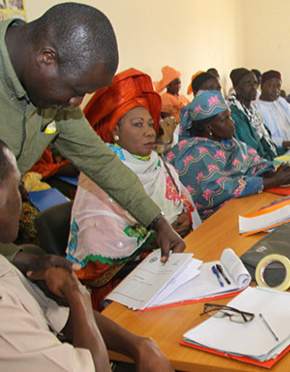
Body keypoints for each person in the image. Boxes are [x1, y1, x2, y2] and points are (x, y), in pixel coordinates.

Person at [0, 3, 184, 270]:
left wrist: (157, 222)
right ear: (47, 57)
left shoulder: (56, 100)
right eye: (75, 90)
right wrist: (16, 257)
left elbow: (102, 162)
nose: (77, 103)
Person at [0, 139, 174, 371]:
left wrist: (138, 345)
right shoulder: (5, 319)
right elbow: (94, 367)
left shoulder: (5, 266)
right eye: (16, 187)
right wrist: (77, 295)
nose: (22, 195)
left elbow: (60, 316)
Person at [67, 69, 201, 306]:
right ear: (115, 131)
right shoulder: (101, 170)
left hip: (167, 263)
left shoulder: (156, 163)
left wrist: (184, 218)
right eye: (138, 125)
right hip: (122, 284)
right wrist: (154, 236)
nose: (150, 131)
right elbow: (98, 246)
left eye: (150, 123)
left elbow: (180, 201)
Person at [167, 91, 290, 220]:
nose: (232, 122)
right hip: (213, 222)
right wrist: (273, 181)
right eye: (225, 119)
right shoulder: (194, 153)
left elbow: (253, 163)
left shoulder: (228, 142)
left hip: (240, 208)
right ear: (209, 127)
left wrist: (278, 174)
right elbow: (220, 189)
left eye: (229, 116)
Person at [229, 68, 283, 161]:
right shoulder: (236, 115)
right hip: (256, 165)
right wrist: (273, 161)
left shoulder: (253, 111)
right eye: (248, 83)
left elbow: (266, 141)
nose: (254, 87)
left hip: (267, 158)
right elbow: (253, 149)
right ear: (237, 89)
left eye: (255, 83)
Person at [254, 70, 290, 149]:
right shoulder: (256, 107)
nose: (275, 90)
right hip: (280, 152)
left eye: (278, 87)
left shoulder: (281, 103)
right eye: (271, 86)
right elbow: (264, 139)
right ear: (262, 86)